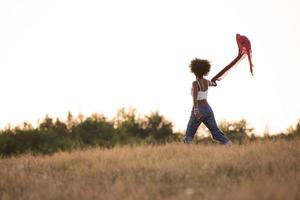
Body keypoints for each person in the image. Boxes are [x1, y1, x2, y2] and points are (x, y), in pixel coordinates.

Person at [184, 58, 232, 145]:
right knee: (216, 133)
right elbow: (214, 84)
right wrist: (215, 81)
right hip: (208, 109)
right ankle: (229, 144)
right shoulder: (207, 82)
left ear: (194, 71)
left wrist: (196, 110)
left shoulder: (195, 83)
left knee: (188, 135)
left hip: (199, 109)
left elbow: (195, 97)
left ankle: (187, 154)